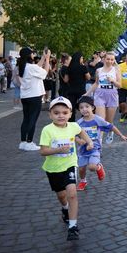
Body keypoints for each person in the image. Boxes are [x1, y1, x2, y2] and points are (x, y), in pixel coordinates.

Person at [39, 96, 94, 241]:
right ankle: (65, 209)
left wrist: (89, 142)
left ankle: (73, 226)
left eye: (64, 112)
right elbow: (43, 151)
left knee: (72, 193)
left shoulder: (73, 126)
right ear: (50, 115)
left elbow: (81, 132)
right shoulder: (47, 130)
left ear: (70, 114)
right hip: (53, 168)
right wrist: (57, 150)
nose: (61, 116)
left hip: (70, 164)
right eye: (56, 113)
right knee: (61, 196)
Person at [76, 96, 127, 191]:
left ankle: (98, 166)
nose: (84, 109)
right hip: (82, 149)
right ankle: (83, 181)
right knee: (82, 169)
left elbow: (111, 126)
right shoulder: (79, 123)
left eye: (87, 106)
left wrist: (121, 135)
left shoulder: (97, 119)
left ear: (93, 107)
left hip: (95, 148)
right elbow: (72, 135)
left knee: (91, 167)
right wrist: (79, 141)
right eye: (81, 108)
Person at [18, 47, 51, 151]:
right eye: (32, 54)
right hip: (34, 96)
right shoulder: (31, 67)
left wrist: (43, 58)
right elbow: (45, 73)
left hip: (25, 96)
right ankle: (29, 142)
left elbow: (37, 67)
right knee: (33, 119)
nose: (33, 55)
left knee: (26, 119)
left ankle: (23, 142)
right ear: (29, 55)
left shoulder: (23, 67)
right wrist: (48, 59)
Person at [86, 52, 122, 144]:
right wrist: (87, 93)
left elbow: (120, 85)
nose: (109, 61)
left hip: (112, 95)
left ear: (114, 60)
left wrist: (113, 81)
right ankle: (99, 143)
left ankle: (110, 131)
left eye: (112, 59)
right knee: (100, 120)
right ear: (104, 59)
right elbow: (96, 83)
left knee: (108, 121)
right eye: (108, 59)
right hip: (100, 95)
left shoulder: (116, 70)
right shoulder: (99, 70)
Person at [63, 52, 90, 122]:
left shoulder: (68, 68)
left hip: (71, 90)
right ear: (78, 59)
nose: (82, 59)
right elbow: (88, 77)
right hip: (81, 90)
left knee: (71, 107)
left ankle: (71, 122)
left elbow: (66, 80)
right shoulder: (83, 67)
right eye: (81, 58)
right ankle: (84, 120)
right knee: (84, 106)